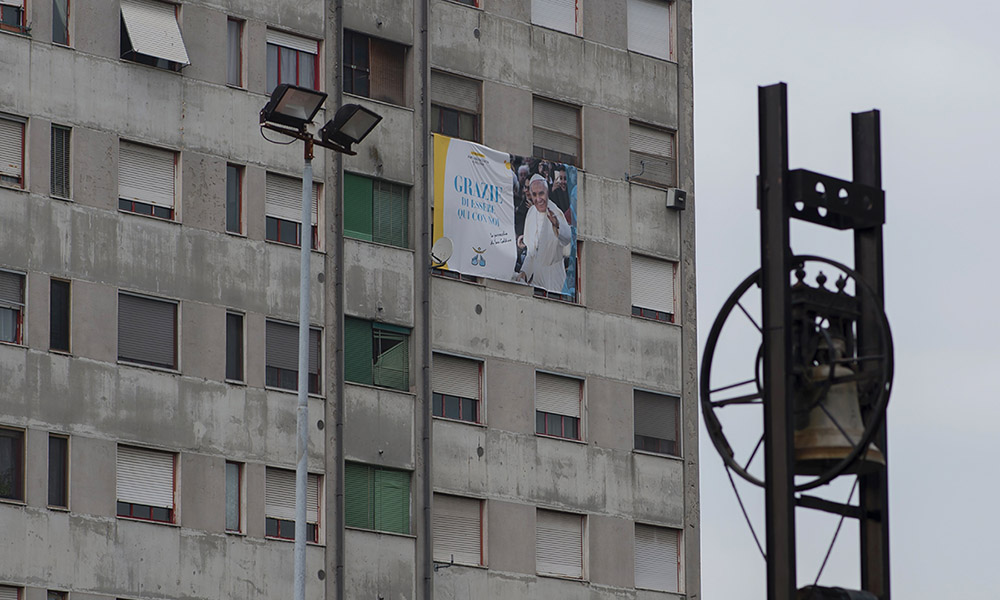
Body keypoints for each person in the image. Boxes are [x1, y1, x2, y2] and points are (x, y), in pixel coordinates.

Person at [517, 174, 572, 292]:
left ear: (547, 193)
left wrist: (557, 225)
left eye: (541, 193)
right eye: (534, 194)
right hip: (536, 280)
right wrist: (524, 272)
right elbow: (531, 253)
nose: (538, 199)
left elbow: (567, 238)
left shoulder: (555, 211)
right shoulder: (531, 212)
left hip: (553, 278)